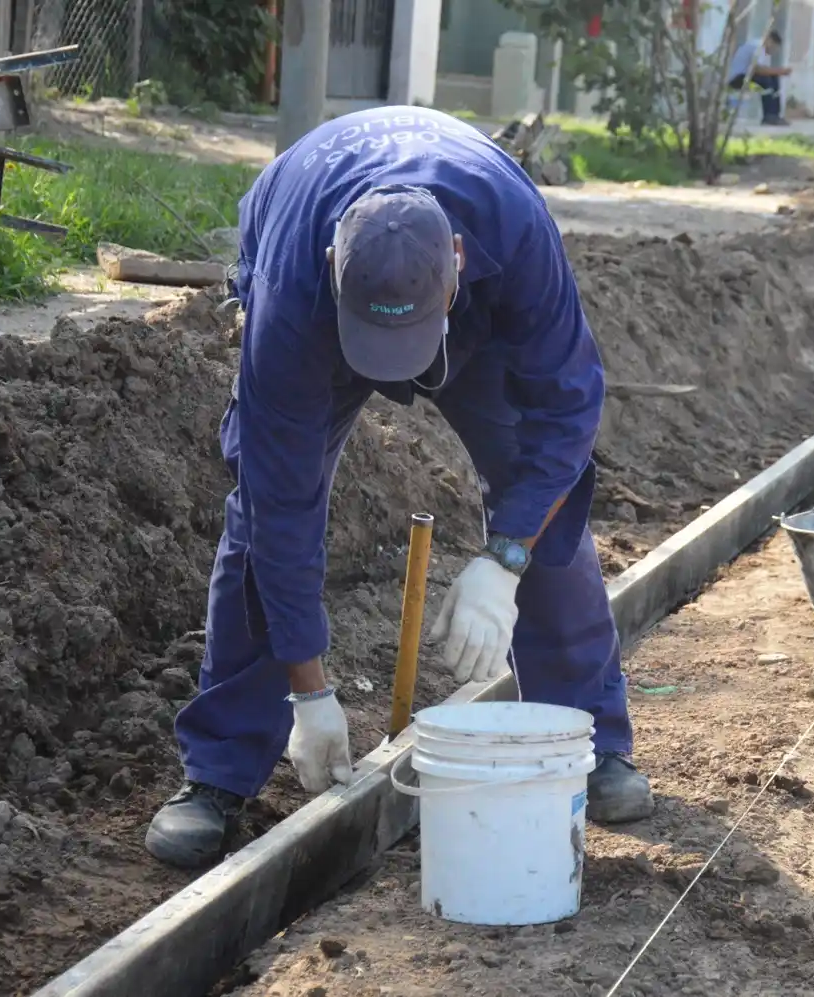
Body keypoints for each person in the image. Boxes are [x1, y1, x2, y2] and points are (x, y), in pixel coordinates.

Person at [143, 106, 655, 869]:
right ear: (331, 261)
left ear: (456, 263)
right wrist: (310, 690)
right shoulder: (292, 286)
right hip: (320, 308)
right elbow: (280, 500)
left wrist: (505, 559)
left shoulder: (515, 234)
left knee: (542, 496)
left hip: (475, 313)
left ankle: (589, 738)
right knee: (258, 520)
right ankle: (219, 767)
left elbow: (567, 412)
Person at [727, 30, 792, 127]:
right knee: (766, 82)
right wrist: (780, 71)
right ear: (769, 41)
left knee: (773, 78)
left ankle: (774, 115)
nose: (773, 51)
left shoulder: (765, 51)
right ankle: (769, 116)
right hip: (737, 78)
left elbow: (765, 70)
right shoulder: (758, 47)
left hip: (748, 76)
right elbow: (757, 69)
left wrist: (778, 72)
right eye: (774, 47)